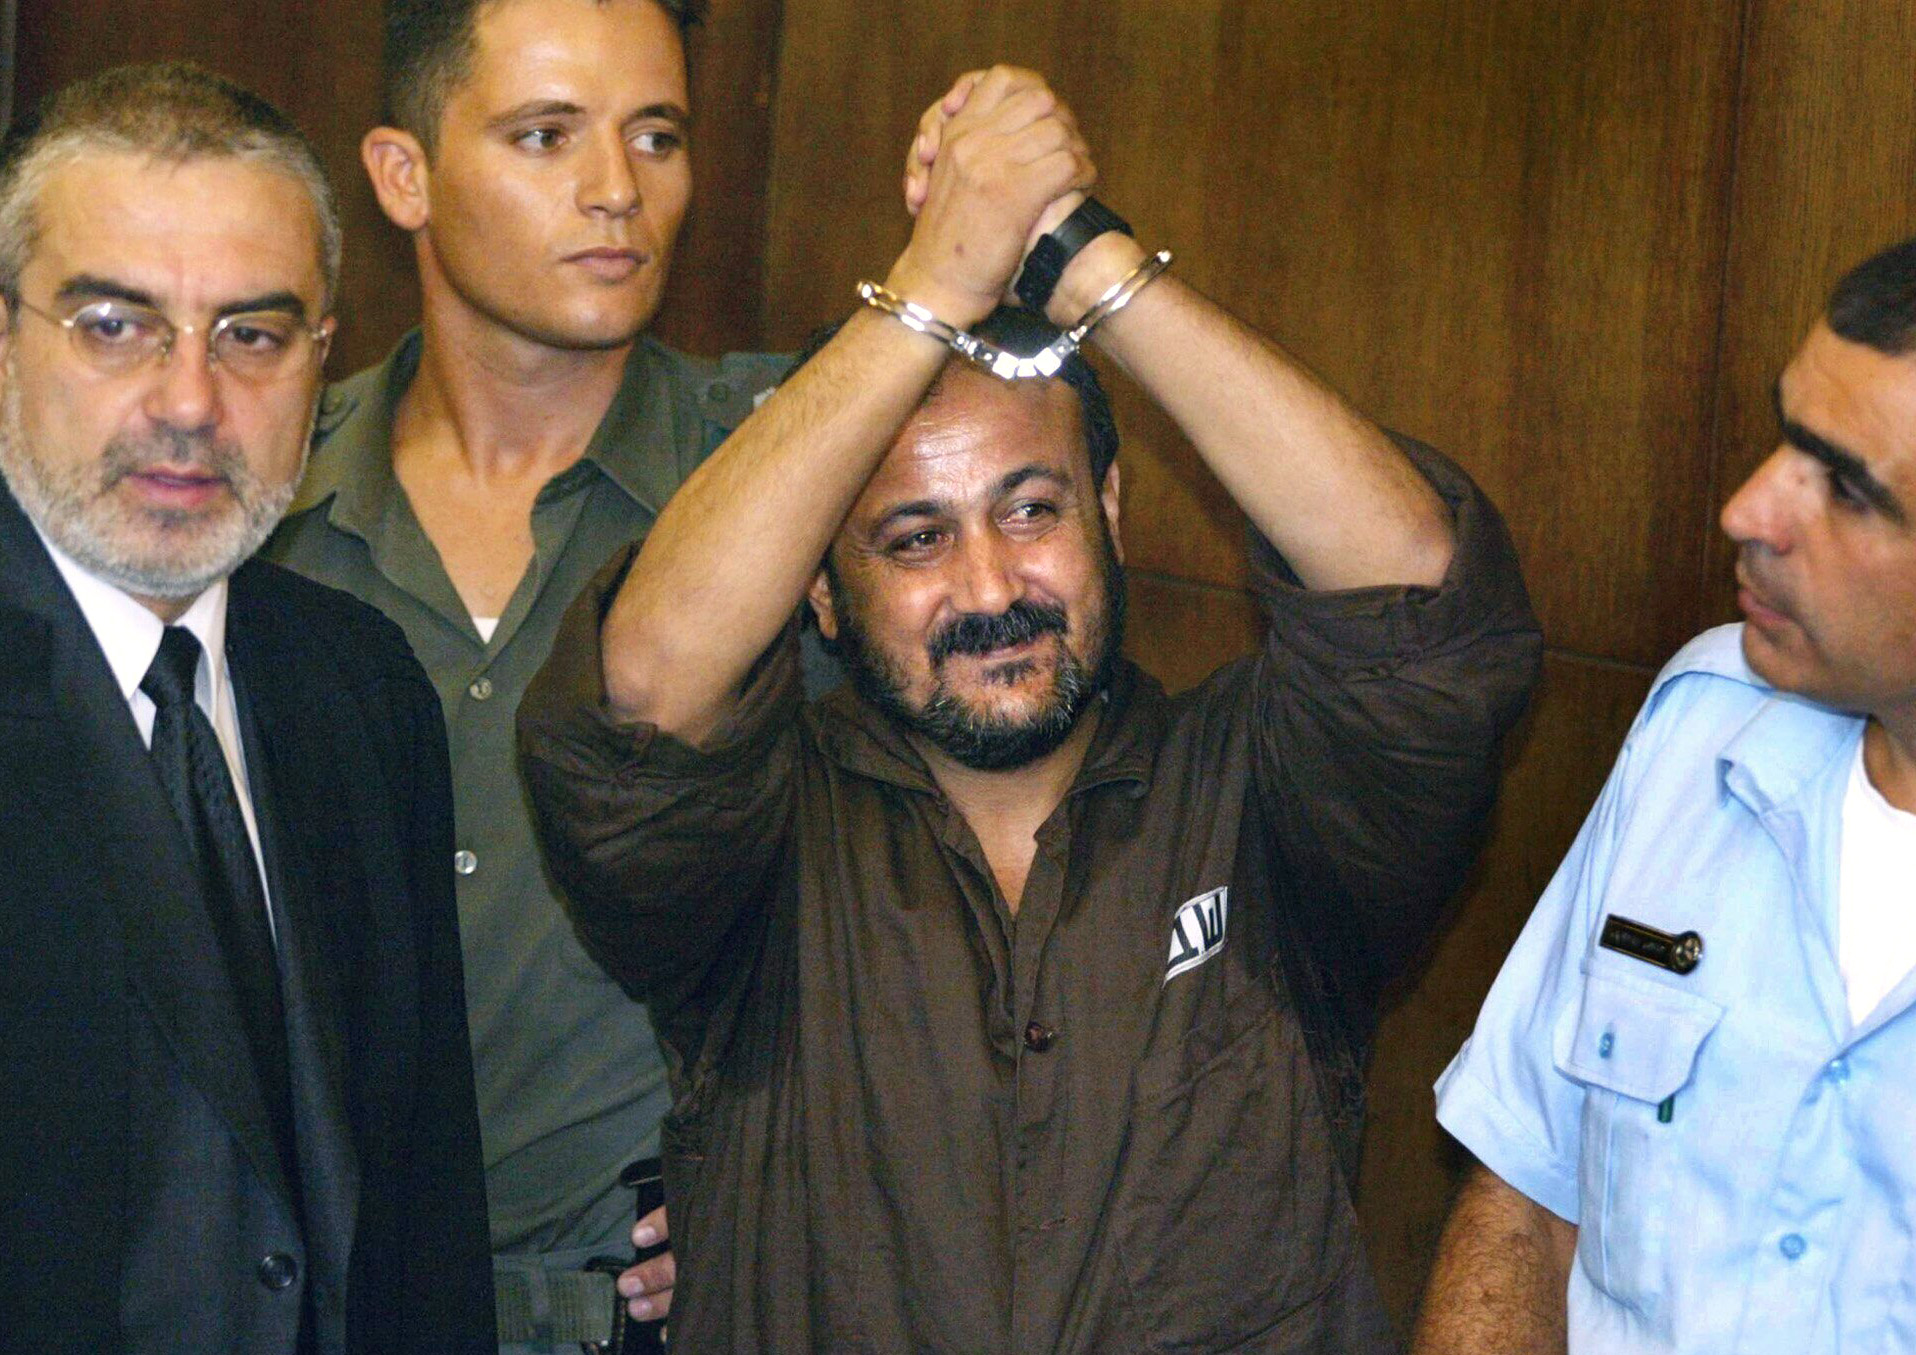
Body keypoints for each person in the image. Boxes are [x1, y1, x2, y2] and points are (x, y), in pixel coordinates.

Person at [518, 66, 1540, 1352]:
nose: (991, 586)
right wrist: (931, 285)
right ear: (816, 593)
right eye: (913, 538)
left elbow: (1425, 615)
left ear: (1107, 508)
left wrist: (1077, 258)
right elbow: (638, 705)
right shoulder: (758, 843)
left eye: (1031, 509)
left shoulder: (1262, 793)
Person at [264, 0, 786, 1343]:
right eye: (546, 135)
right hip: (321, 1299)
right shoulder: (259, 502)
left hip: (662, 1309)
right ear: (404, 174)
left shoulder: (781, 481)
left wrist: (800, 1164)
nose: (618, 189)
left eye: (656, 136)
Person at [0, 62, 492, 1353]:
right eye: (116, 325)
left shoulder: (361, 686)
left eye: (251, 336)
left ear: (323, 356)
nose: (188, 401)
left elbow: (424, 1207)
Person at [1414, 237, 1916, 1355]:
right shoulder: (1705, 716)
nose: (1747, 509)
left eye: (1845, 488)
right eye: (1784, 434)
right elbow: (1524, 1194)